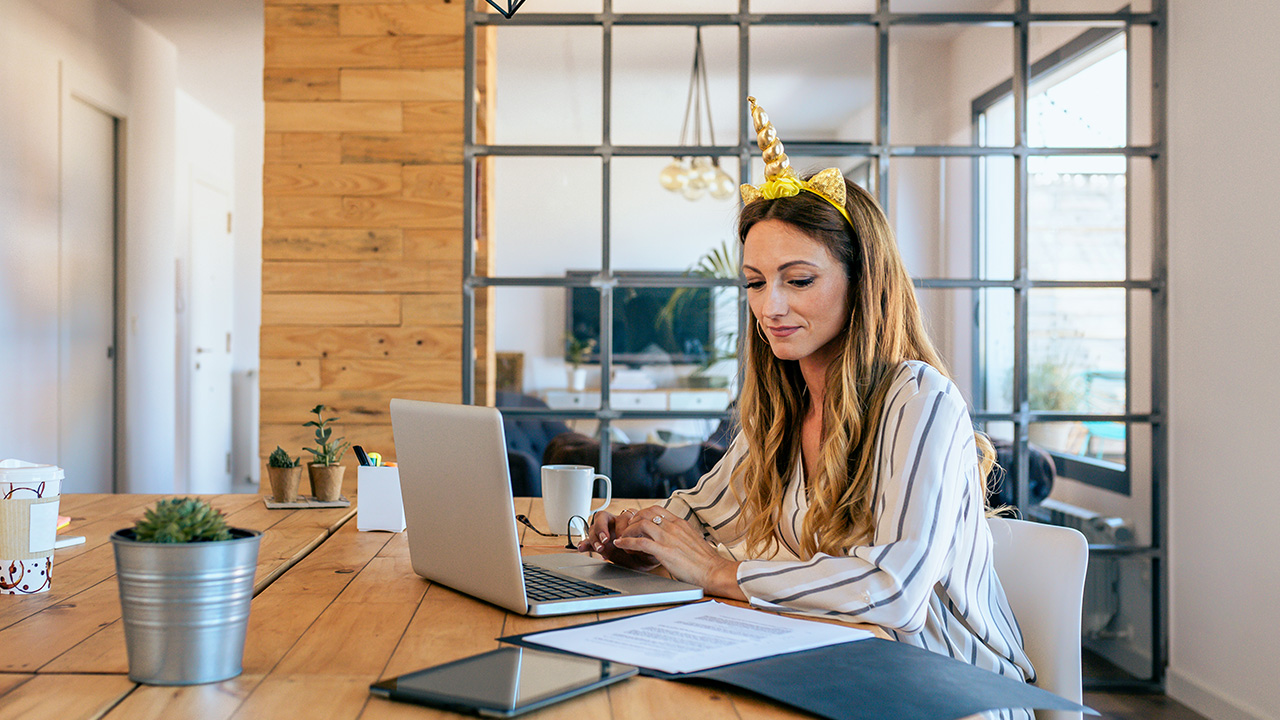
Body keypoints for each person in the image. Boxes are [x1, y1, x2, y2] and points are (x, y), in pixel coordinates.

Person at [578, 97, 1035, 718]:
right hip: (830, 663)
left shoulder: (920, 398)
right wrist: (644, 536)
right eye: (755, 281)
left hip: (943, 688)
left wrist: (719, 573)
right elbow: (701, 518)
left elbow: (892, 592)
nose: (770, 307)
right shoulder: (785, 411)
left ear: (860, 278)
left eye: (798, 280)